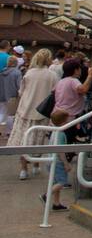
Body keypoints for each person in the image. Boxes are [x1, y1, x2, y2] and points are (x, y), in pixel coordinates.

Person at [9, 47, 55, 178]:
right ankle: (36, 165)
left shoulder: (29, 73)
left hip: (25, 109)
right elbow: (54, 93)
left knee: (25, 140)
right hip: (42, 111)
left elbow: (21, 92)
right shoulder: (52, 75)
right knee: (38, 140)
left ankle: (23, 169)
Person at [54, 57, 92, 150]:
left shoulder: (61, 81)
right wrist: (90, 76)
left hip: (59, 114)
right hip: (69, 116)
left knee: (61, 140)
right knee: (67, 140)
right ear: (76, 70)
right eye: (79, 68)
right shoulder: (73, 80)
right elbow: (83, 89)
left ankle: (63, 158)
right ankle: (64, 160)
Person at [40, 108, 73, 211]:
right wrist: (66, 163)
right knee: (62, 182)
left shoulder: (54, 131)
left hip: (50, 160)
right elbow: (60, 151)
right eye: (67, 120)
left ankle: (56, 203)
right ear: (63, 122)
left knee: (56, 182)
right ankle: (46, 195)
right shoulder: (61, 134)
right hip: (57, 162)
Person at [0, 51, 22, 137]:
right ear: (16, 63)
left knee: (1, 113)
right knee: (10, 115)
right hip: (12, 96)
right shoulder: (17, 73)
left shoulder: (1, 72)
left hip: (1, 95)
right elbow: (19, 85)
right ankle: (9, 132)